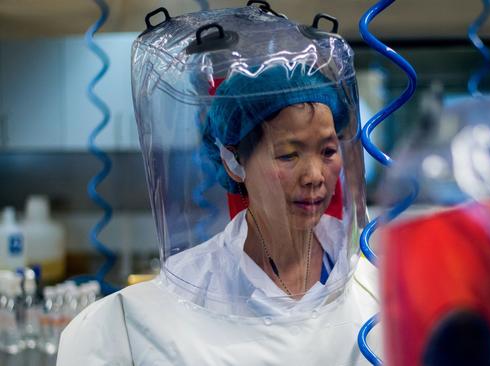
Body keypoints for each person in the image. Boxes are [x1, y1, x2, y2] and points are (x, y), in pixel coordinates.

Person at [57, 5, 380, 365]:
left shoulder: (377, 286)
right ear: (234, 161)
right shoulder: (154, 311)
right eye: (288, 155)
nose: (315, 175)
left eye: (328, 150)